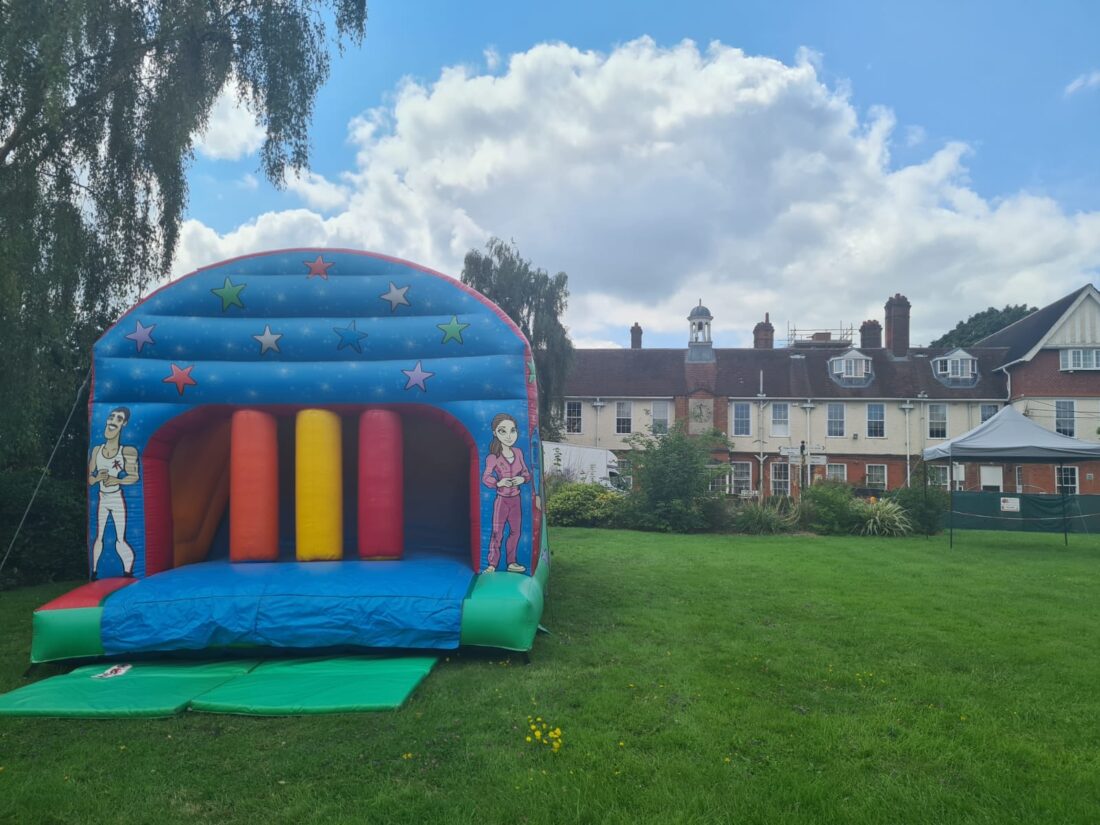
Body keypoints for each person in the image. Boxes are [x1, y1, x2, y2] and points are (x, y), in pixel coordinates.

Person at [88, 407, 140, 577]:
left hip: (116, 498)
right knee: (100, 535)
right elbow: (90, 478)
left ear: (123, 424)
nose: (112, 421)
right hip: (103, 497)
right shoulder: (97, 451)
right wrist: (97, 478)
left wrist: (117, 479)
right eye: (111, 417)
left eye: (118, 419)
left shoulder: (127, 451)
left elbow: (134, 476)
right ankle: (95, 572)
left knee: (120, 539)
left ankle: (128, 572)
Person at [481, 413, 530, 573]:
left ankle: (511, 562)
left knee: (515, 531)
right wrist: (498, 482)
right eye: (503, 431)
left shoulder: (518, 453)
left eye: (512, 430)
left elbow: (526, 473)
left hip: (516, 499)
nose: (509, 436)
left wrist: (521, 480)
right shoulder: (493, 457)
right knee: (497, 532)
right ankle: (492, 564)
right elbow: (486, 477)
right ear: (495, 433)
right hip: (502, 500)